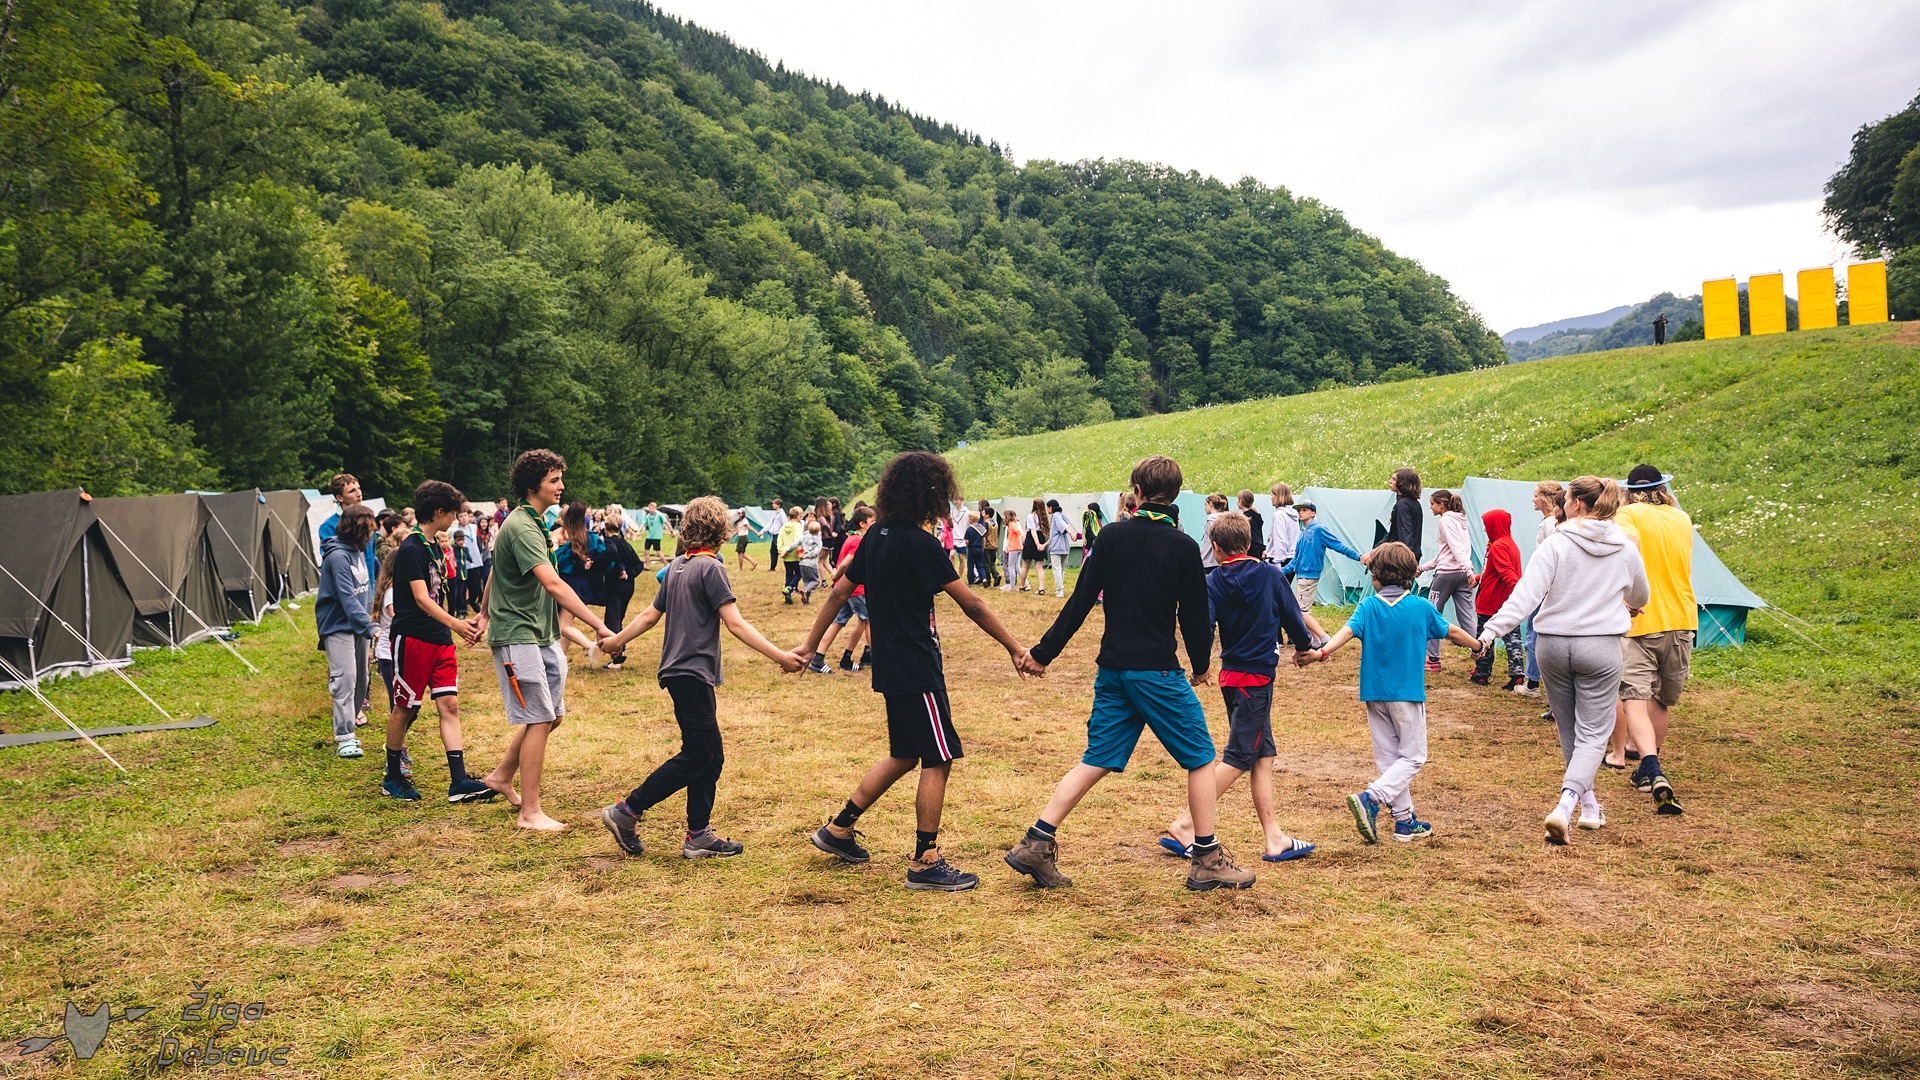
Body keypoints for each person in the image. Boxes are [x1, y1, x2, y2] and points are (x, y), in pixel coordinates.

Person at [1006, 455, 1257, 892]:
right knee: (1201, 759)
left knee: (1097, 758)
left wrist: (1044, 654)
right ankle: (1207, 859)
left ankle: (1036, 842)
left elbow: (1080, 601)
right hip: (1156, 672)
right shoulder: (1182, 546)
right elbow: (1194, 616)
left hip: (1114, 671)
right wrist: (1201, 666)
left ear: (1136, 492)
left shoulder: (1110, 537)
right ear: (1175, 495)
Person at [800, 452, 1030, 892]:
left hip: (889, 664)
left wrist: (810, 646)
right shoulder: (921, 545)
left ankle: (838, 829)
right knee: (939, 757)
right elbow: (973, 603)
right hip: (917, 667)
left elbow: (837, 594)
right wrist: (1015, 648)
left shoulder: (875, 536)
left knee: (905, 754)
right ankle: (926, 860)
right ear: (931, 494)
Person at [598, 497, 804, 859]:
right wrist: (781, 656)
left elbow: (649, 615)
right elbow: (735, 623)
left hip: (680, 672)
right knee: (698, 755)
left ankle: (699, 834)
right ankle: (628, 810)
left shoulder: (677, 566)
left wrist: (617, 640)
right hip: (691, 672)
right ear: (722, 531)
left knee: (710, 755)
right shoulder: (710, 567)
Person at [1478, 476, 1649, 844]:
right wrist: (1627, 603)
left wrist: (1490, 632)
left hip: (1553, 645)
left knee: (1569, 729)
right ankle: (1565, 804)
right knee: (1594, 733)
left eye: (1566, 498)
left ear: (1576, 505)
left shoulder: (1555, 543)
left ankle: (1589, 807)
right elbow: (1641, 596)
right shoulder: (1625, 547)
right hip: (1599, 647)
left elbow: (1525, 596)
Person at [1160, 512, 1317, 863]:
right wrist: (1305, 647)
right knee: (1239, 757)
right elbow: (1293, 615)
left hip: (1232, 679)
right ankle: (1185, 824)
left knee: (1263, 756)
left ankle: (1274, 837)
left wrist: (1201, 666)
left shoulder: (1212, 582)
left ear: (1215, 548)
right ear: (1249, 542)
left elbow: (1204, 626)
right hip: (1255, 681)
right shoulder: (1271, 575)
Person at [1297, 541, 1481, 844]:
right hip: (1406, 694)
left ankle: (1404, 821)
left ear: (1376, 577)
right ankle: (1371, 798)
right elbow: (1453, 631)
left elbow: (1345, 632)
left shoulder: (1368, 606)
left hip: (1374, 693)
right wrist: (1478, 646)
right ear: (1410, 575)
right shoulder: (1421, 607)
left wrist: (1321, 653)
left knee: (1389, 759)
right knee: (1414, 757)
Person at [475, 449, 617, 832]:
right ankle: (530, 812)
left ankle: (501, 776)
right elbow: (553, 584)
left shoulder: (534, 523)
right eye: (554, 480)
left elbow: (497, 571)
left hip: (540, 633)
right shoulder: (522, 526)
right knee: (538, 717)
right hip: (517, 634)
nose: (561, 486)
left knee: (552, 715)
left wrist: (483, 611)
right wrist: (599, 626)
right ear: (532, 484)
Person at [380, 480, 497, 804]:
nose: (456, 518)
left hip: (439, 639)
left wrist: (454, 626)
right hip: (413, 639)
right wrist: (457, 623)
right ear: (439, 511)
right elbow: (421, 598)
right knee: (404, 708)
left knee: (449, 704)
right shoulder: (411, 549)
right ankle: (393, 776)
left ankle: (459, 781)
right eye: (453, 512)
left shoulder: (434, 547)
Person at [1611, 464, 1695, 815]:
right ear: (1663, 489)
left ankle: (1651, 768)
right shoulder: (1682, 518)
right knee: (1661, 699)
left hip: (1641, 618)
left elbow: (1629, 550)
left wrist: (1623, 594)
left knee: (1634, 698)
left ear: (1630, 492)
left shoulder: (1629, 515)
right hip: (1682, 619)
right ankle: (1648, 769)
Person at [316, 505, 376, 759]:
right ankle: (345, 736)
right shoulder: (338, 557)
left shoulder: (358, 551)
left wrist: (372, 619)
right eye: (369, 531)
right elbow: (347, 597)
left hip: (359, 625)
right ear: (358, 530)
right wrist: (370, 627)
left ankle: (351, 722)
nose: (372, 535)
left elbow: (364, 590)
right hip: (338, 625)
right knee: (345, 678)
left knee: (361, 678)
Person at [808, 505, 875, 674]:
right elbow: (846, 563)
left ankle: (820, 658)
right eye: (872, 522)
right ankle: (877, 659)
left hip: (845, 589)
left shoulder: (851, 538)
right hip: (855, 589)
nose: (875, 526)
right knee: (869, 620)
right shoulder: (858, 541)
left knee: (839, 622)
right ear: (862, 523)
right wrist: (835, 574)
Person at [1281, 502, 1360, 641]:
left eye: (1304, 510)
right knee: (1304, 611)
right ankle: (1317, 641)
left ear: (1313, 513)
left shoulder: (1318, 530)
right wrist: (1281, 571)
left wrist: (1358, 556)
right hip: (1301, 576)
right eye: (1299, 510)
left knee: (1301, 612)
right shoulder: (1302, 532)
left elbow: (1338, 545)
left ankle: (1325, 638)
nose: (1300, 512)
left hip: (1309, 576)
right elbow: (1296, 559)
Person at [1517, 481, 1565, 697]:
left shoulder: (1550, 524)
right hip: (1551, 583)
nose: (1533, 499)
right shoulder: (1551, 521)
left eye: (1536, 495)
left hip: (1546, 584)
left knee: (1534, 630)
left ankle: (1533, 681)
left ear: (1546, 498)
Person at [1419, 489, 1475, 672]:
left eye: (1432, 504)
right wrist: (1422, 568)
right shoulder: (1461, 521)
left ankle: (1433, 659)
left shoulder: (1445, 521)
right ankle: (1481, 655)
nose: (1430, 507)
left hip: (1446, 575)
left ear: (1442, 505)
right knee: (1467, 616)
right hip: (1461, 574)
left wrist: (1469, 570)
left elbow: (1455, 548)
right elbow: (1447, 553)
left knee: (1431, 613)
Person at [1471, 509, 1527, 689]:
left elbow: (1506, 572)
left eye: (1487, 525)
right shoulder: (1511, 544)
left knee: (1484, 638)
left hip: (1490, 601)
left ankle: (1482, 673)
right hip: (1508, 601)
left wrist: (1522, 591)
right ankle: (1517, 674)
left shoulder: (1498, 547)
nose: (1485, 529)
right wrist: (1478, 578)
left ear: (1495, 525)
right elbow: (1494, 572)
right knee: (1513, 638)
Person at [553, 501, 607, 657]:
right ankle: (561, 660)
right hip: (586, 586)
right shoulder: (592, 538)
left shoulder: (565, 541)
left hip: (569, 587)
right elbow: (604, 555)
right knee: (566, 623)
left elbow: (555, 561)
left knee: (563, 625)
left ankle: (589, 645)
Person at [319, 473, 382, 592]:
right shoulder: (328, 527)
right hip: (345, 590)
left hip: (368, 589)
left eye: (359, 488)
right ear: (340, 498)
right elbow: (333, 563)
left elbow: (370, 558)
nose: (359, 493)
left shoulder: (368, 522)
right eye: (352, 491)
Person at [599, 509, 644, 672]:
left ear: (606, 526)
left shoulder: (609, 544)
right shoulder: (626, 544)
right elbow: (639, 564)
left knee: (612, 621)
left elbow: (607, 559)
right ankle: (619, 651)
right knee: (618, 619)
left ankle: (617, 658)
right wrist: (629, 574)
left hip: (615, 587)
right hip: (628, 587)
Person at [1364, 468, 1424, 571]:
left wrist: (1406, 560)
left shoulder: (1403, 504)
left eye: (1394, 479)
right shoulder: (1414, 503)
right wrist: (1374, 551)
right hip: (1408, 556)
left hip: (1400, 558)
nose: (1390, 481)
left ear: (1403, 482)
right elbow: (1394, 533)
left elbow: (1405, 534)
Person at [1266, 484, 1300, 568]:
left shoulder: (1279, 515)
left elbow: (1280, 539)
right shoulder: (1294, 514)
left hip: (1280, 560)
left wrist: (1278, 562)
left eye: (1272, 495)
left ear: (1278, 496)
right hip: (1292, 557)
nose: (1271, 498)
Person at [1045, 498, 1072, 598]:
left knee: (1056, 569)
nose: (1047, 510)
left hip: (1057, 546)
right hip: (1065, 546)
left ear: (1051, 507)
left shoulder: (1056, 516)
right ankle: (1060, 589)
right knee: (1061, 569)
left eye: (1047, 508)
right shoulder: (1062, 515)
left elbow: (1063, 526)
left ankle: (1060, 590)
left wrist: (1071, 534)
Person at [777, 506, 805, 603]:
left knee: (789, 574)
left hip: (785, 556)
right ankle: (789, 588)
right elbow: (798, 541)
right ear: (797, 517)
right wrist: (800, 552)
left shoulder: (783, 527)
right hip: (795, 555)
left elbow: (779, 539)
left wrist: (781, 551)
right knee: (798, 574)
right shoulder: (798, 527)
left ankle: (786, 596)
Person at [1022, 497, 1047, 593]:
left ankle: (1022, 585)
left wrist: (1037, 543)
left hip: (1031, 539)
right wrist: (1040, 543)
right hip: (1041, 537)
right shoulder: (1044, 517)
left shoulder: (1030, 516)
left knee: (1025, 565)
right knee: (1039, 566)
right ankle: (1041, 588)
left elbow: (1032, 530)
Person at [796, 519, 825, 603]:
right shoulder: (818, 540)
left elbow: (796, 544)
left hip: (802, 563)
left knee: (807, 582)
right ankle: (806, 591)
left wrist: (786, 550)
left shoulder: (804, 537)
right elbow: (815, 552)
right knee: (815, 581)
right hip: (811, 564)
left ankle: (806, 599)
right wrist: (806, 555)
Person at [1199, 494, 1229, 573]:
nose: (1204, 508)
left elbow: (1214, 538)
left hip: (1209, 561)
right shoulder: (1224, 519)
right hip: (1220, 559)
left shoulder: (1211, 520)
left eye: (1205, 504)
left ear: (1211, 504)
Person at [1001, 510, 1024, 592]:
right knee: (1016, 567)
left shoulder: (1011, 524)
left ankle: (1012, 586)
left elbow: (1019, 531)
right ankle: (1025, 583)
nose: (1002, 517)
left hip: (1014, 548)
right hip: (1017, 547)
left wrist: (1022, 537)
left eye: (1003, 516)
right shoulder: (1013, 524)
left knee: (1011, 567)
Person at [979, 500, 1001, 588]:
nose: (982, 514)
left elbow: (984, 536)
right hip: (994, 546)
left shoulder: (985, 524)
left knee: (986, 564)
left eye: (983, 513)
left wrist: (983, 547)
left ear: (987, 515)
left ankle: (987, 580)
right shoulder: (995, 523)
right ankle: (996, 575)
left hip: (987, 546)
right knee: (992, 563)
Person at [964, 511, 988, 585]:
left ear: (971, 519)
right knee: (980, 565)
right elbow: (984, 539)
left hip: (972, 549)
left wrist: (967, 546)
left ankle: (971, 581)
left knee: (970, 565)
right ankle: (984, 579)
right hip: (980, 548)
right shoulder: (982, 528)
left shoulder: (969, 529)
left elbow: (967, 541)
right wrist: (983, 547)